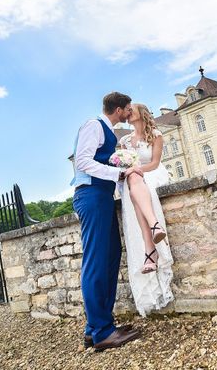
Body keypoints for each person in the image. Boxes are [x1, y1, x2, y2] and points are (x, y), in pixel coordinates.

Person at [71, 92, 143, 352]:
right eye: (127, 109)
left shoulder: (109, 132)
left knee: (111, 256)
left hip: (101, 197)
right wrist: (119, 172)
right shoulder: (94, 125)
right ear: (118, 109)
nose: (129, 112)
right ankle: (102, 332)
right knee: (96, 261)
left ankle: (97, 328)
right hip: (90, 196)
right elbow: (82, 161)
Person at [119, 103, 174, 317]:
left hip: (153, 174)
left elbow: (154, 163)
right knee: (133, 180)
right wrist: (129, 170)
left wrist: (136, 169)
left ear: (141, 113)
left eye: (131, 109)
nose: (127, 112)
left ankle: (150, 253)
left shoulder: (156, 135)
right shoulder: (124, 141)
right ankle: (154, 225)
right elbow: (126, 165)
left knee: (137, 181)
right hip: (136, 180)